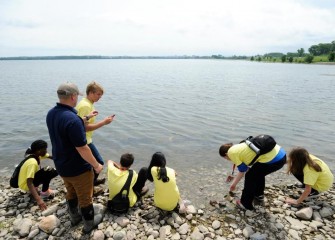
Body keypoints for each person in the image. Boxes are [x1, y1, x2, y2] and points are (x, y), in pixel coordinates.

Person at [46, 82, 103, 234]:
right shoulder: (72, 120)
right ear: (73, 96)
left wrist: (83, 119)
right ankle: (89, 225)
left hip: (61, 165)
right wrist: (96, 165)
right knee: (85, 199)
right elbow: (82, 148)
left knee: (70, 192)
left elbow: (64, 132)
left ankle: (74, 217)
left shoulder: (51, 114)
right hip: (78, 168)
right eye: (77, 96)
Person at [219, 137, 286, 210]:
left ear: (226, 154)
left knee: (250, 176)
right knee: (257, 173)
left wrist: (233, 185)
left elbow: (242, 172)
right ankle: (258, 195)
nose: (227, 160)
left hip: (275, 160)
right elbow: (246, 166)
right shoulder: (238, 147)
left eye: (225, 158)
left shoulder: (231, 153)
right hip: (281, 154)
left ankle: (245, 204)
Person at [76, 81, 114, 186]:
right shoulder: (85, 106)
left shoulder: (87, 103)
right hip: (84, 140)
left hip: (86, 139)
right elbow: (85, 127)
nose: (100, 97)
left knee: (89, 164)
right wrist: (104, 122)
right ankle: (90, 185)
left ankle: (90, 182)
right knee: (99, 163)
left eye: (101, 95)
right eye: (98, 94)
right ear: (91, 93)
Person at [18, 140, 58, 210]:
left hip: (22, 182)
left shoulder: (34, 155)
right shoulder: (32, 162)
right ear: (38, 150)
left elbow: (52, 157)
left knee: (45, 171)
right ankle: (44, 193)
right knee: (50, 171)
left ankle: (39, 189)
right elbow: (29, 183)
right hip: (26, 185)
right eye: (45, 149)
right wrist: (39, 200)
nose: (46, 151)